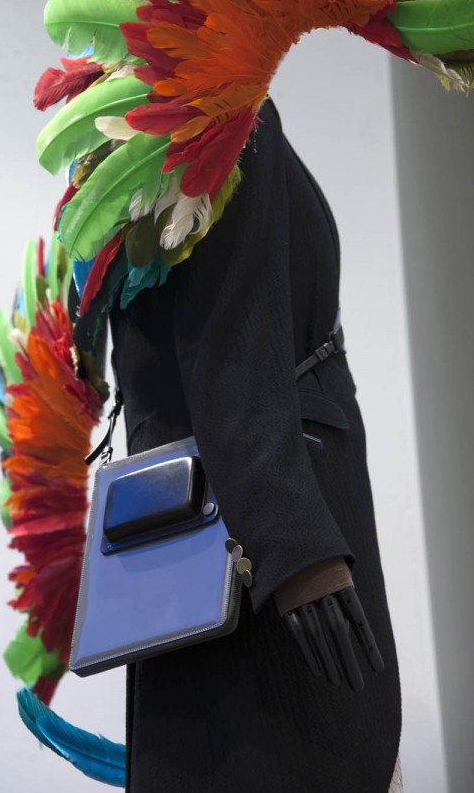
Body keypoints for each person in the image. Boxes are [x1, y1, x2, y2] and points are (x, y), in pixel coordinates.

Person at [108, 96, 402, 793]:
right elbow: (226, 341)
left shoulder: (142, 122)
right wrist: (298, 553)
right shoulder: (219, 103)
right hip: (259, 561)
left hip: (199, 542)